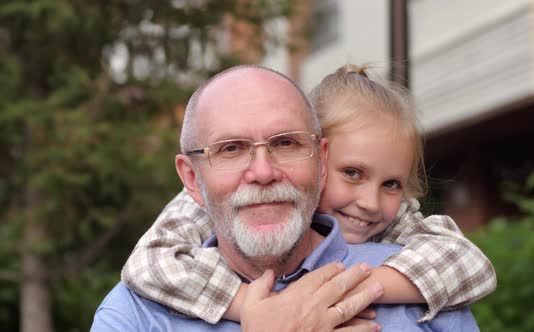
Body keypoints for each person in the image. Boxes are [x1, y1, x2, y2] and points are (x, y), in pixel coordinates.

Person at [91, 65, 480, 331]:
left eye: (286, 143)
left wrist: (357, 288)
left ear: (321, 159)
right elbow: (148, 260)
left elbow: (465, 261)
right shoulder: (136, 311)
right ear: (192, 178)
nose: (262, 172)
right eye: (230, 149)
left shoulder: (421, 280)